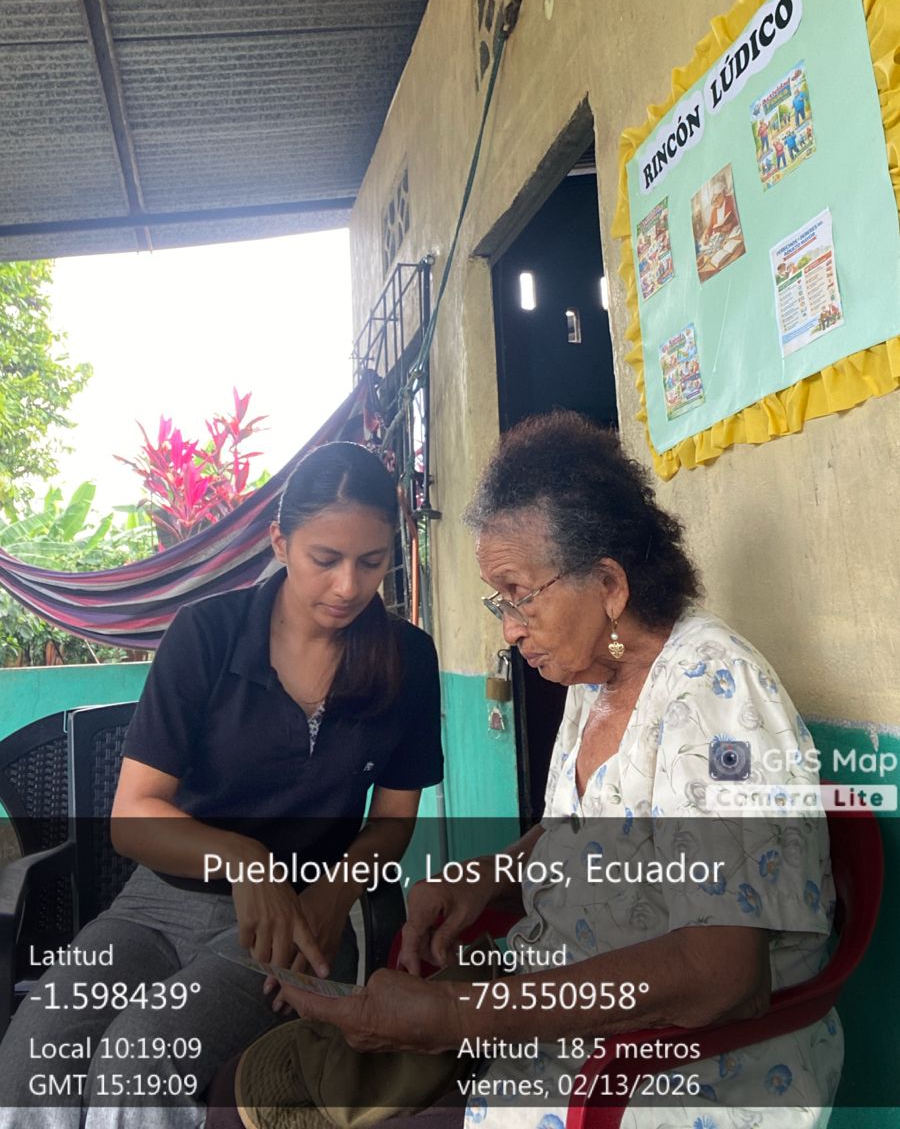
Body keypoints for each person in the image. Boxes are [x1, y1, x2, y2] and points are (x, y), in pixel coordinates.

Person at [214, 413, 841, 1129]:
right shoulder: (594, 681)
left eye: (519, 594)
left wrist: (456, 1016)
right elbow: (590, 834)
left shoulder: (713, 695)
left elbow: (723, 975)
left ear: (608, 584)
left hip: (667, 1075)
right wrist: (491, 874)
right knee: (246, 1091)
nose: (509, 628)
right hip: (551, 1035)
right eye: (500, 599)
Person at [0, 442, 443, 1129]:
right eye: (325, 559)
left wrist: (332, 896)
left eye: (371, 562)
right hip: (156, 906)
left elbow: (392, 822)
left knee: (143, 1062)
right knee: (33, 1060)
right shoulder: (207, 634)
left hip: (297, 920)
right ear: (280, 541)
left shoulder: (406, 659)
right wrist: (245, 860)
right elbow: (134, 815)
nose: (348, 587)